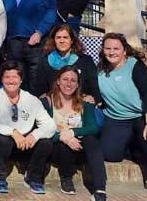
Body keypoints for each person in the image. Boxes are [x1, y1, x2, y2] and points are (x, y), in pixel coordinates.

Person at [97, 33, 147, 199]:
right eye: (108, 48)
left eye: (116, 48)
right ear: (103, 50)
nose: (111, 52)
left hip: (144, 114)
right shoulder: (100, 70)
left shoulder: (135, 65)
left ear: (124, 51)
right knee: (109, 153)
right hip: (117, 117)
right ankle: (135, 146)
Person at [0, 62, 57, 194]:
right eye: (7, 77)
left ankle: (33, 178)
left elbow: (50, 125)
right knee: (1, 139)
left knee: (46, 142)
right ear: (2, 79)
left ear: (21, 80)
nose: (11, 81)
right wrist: (12, 132)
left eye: (15, 77)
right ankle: (0, 177)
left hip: (24, 145)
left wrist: (35, 135)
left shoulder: (32, 100)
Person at [41, 66, 107, 200]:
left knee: (92, 140)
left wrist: (71, 132)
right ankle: (66, 178)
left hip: (79, 147)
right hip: (56, 148)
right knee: (62, 144)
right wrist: (62, 137)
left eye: (73, 80)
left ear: (77, 84)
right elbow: (41, 129)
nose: (69, 83)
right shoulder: (47, 102)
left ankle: (100, 189)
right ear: (58, 81)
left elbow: (93, 127)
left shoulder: (84, 103)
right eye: (65, 79)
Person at [2, 0, 57, 92]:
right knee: (17, 79)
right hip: (14, 43)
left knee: (36, 80)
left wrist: (39, 32)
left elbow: (51, 10)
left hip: (36, 41)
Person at [33, 24, 99, 101]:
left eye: (65, 37)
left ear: (72, 40)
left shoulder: (85, 61)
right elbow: (40, 89)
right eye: (58, 38)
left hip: (80, 103)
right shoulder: (45, 61)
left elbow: (95, 88)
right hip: (55, 104)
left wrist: (92, 98)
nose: (62, 41)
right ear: (54, 40)